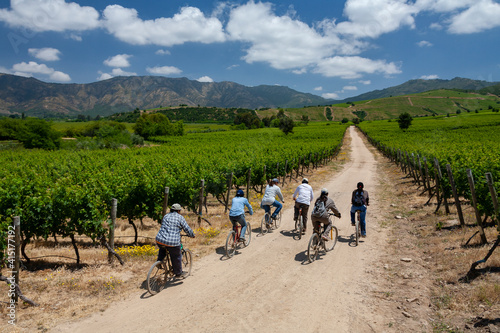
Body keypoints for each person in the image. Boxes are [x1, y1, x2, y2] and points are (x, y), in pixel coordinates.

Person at [155, 203, 195, 278]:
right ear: (178, 211)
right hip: (172, 242)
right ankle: (178, 273)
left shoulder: (166, 216)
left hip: (159, 239)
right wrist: (192, 235)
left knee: (163, 248)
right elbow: (186, 228)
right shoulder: (180, 217)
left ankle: (159, 261)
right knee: (176, 256)